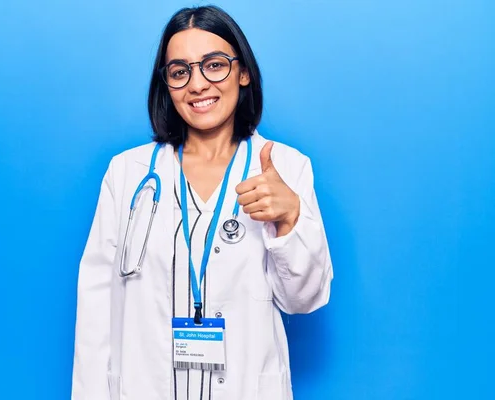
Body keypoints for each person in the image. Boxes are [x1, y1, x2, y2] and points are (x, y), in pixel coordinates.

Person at [71, 5, 333, 400]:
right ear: (168, 85)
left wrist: (291, 219)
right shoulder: (129, 173)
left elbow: (305, 299)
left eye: (214, 65)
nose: (197, 84)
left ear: (243, 72)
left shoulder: (286, 168)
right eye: (180, 71)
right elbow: (95, 311)